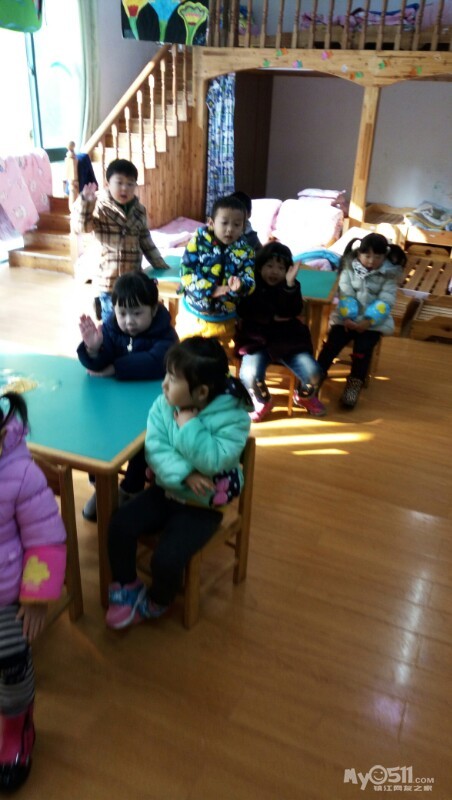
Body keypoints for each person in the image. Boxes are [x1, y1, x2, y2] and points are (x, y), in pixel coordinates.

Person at [105, 336, 252, 629]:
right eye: (166, 375)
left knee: (167, 559)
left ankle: (159, 600)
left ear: (201, 392)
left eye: (172, 379)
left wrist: (190, 426)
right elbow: (155, 449)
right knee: (120, 524)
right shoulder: (164, 405)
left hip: (203, 506)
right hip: (168, 491)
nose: (164, 385)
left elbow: (213, 461)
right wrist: (185, 474)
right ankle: (127, 585)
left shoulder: (233, 418)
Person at [0, 393, 67, 792]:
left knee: (11, 658)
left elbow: (46, 540)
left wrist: (37, 598)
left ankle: (17, 728)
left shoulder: (21, 475)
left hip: (8, 595)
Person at [77, 271, 179, 521]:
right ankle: (102, 485)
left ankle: (130, 489)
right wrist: (94, 348)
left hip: (152, 408)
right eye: (122, 313)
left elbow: (156, 361)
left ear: (154, 309)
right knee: (98, 434)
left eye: (137, 313)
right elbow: (98, 365)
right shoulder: (111, 329)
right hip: (116, 405)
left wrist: (115, 368)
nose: (129, 321)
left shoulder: (165, 334)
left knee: (143, 445)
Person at [234, 241, 326, 421]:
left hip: (289, 341)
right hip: (256, 342)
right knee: (249, 375)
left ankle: (304, 396)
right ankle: (263, 401)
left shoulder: (291, 285)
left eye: (280, 268)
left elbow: (293, 310)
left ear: (287, 270)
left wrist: (289, 286)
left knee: (314, 373)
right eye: (269, 266)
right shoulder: (250, 284)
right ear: (259, 267)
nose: (274, 271)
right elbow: (245, 310)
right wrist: (273, 316)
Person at [71, 158, 168, 323]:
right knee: (111, 321)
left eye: (130, 184)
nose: (125, 188)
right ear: (108, 184)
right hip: (108, 279)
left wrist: (160, 265)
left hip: (132, 278)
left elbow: (146, 240)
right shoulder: (99, 206)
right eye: (119, 182)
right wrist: (86, 204)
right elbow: (82, 227)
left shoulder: (139, 211)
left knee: (130, 317)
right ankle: (101, 308)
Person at [317, 233, 406, 409]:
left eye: (377, 257)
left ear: (385, 256)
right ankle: (316, 375)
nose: (372, 261)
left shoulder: (389, 275)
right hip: (346, 319)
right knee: (331, 344)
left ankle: (354, 383)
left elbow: (386, 301)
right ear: (359, 254)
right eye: (367, 256)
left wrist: (368, 321)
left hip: (374, 323)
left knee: (363, 349)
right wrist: (348, 317)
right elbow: (346, 294)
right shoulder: (348, 268)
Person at [176, 195, 256, 347]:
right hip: (193, 316)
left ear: (243, 226)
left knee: (222, 357)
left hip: (225, 319)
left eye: (237, 224)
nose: (230, 229)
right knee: (186, 355)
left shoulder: (246, 251)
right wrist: (212, 290)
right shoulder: (197, 242)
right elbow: (186, 274)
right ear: (211, 223)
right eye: (224, 223)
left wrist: (241, 286)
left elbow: (250, 281)